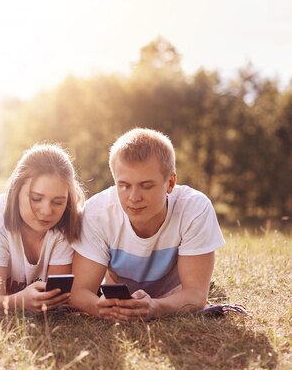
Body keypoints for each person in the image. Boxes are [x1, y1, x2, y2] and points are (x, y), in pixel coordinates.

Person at [70, 128, 225, 321]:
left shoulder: (195, 208)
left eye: (146, 186)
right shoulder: (97, 212)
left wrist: (155, 307)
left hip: (173, 296)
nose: (134, 198)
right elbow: (79, 292)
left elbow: (196, 295)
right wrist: (101, 308)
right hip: (116, 293)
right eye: (124, 185)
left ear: (170, 182)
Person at [0, 144, 85, 313]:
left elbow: (54, 299)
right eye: (36, 198)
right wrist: (19, 301)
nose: (46, 211)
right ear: (16, 189)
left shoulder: (68, 221)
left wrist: (12, 299)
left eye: (58, 202)